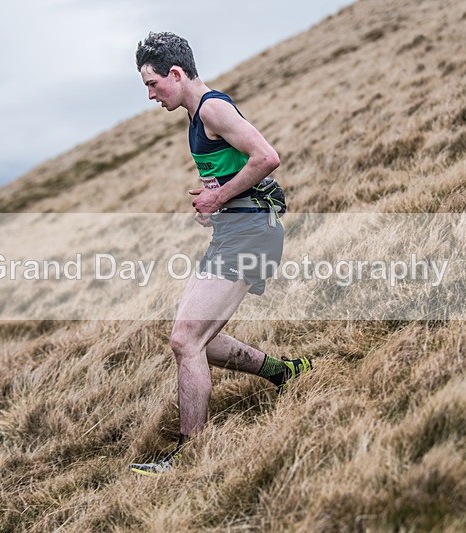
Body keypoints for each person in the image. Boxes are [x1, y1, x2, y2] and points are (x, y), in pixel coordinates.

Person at [130, 32, 312, 477]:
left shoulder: (211, 107)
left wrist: (220, 198)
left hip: (251, 234)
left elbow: (267, 157)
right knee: (198, 341)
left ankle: (187, 454)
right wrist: (218, 197)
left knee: (184, 340)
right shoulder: (196, 116)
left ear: (175, 73)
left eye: (153, 84)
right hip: (235, 231)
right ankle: (284, 373)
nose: (150, 94)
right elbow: (236, 166)